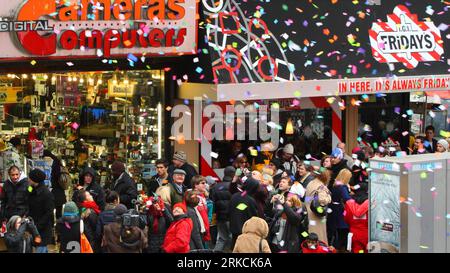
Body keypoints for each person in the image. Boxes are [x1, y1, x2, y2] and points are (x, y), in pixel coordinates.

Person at [327, 148, 352, 252]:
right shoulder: (343, 187)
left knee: (334, 230)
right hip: (340, 212)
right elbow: (347, 199)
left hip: (333, 209)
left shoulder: (335, 184)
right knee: (342, 233)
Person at [27, 168, 55, 253]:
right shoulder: (31, 188)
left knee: (41, 248)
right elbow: (27, 195)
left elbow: (49, 212)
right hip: (34, 227)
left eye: (30, 178)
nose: (28, 179)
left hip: (42, 229)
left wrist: (37, 226)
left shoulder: (46, 194)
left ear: (35, 180)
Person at [229, 177, 260, 248]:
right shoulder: (250, 200)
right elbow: (254, 217)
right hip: (245, 232)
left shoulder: (234, 196)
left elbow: (230, 210)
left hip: (234, 229)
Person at [305, 169, 332, 244]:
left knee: (310, 236)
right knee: (319, 237)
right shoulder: (321, 186)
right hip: (317, 217)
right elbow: (322, 201)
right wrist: (329, 196)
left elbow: (308, 198)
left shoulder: (311, 183)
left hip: (308, 214)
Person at [210, 166, 233, 252]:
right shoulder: (235, 187)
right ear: (233, 174)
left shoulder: (216, 187)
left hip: (220, 217)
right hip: (232, 218)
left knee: (222, 238)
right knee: (232, 238)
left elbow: (213, 203)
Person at [344, 182, 369, 253]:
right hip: (367, 234)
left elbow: (346, 218)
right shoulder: (370, 204)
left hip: (354, 234)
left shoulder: (349, 203)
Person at [43, 150, 67, 220]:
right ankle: (58, 227)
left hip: (53, 190)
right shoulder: (57, 162)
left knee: (49, 211)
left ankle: (52, 226)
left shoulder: (50, 163)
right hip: (59, 191)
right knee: (58, 211)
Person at [191, 175, 211, 244]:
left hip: (204, 228)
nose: (205, 185)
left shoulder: (202, 195)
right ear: (195, 185)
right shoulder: (192, 197)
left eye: (205, 183)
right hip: (197, 229)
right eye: (202, 183)